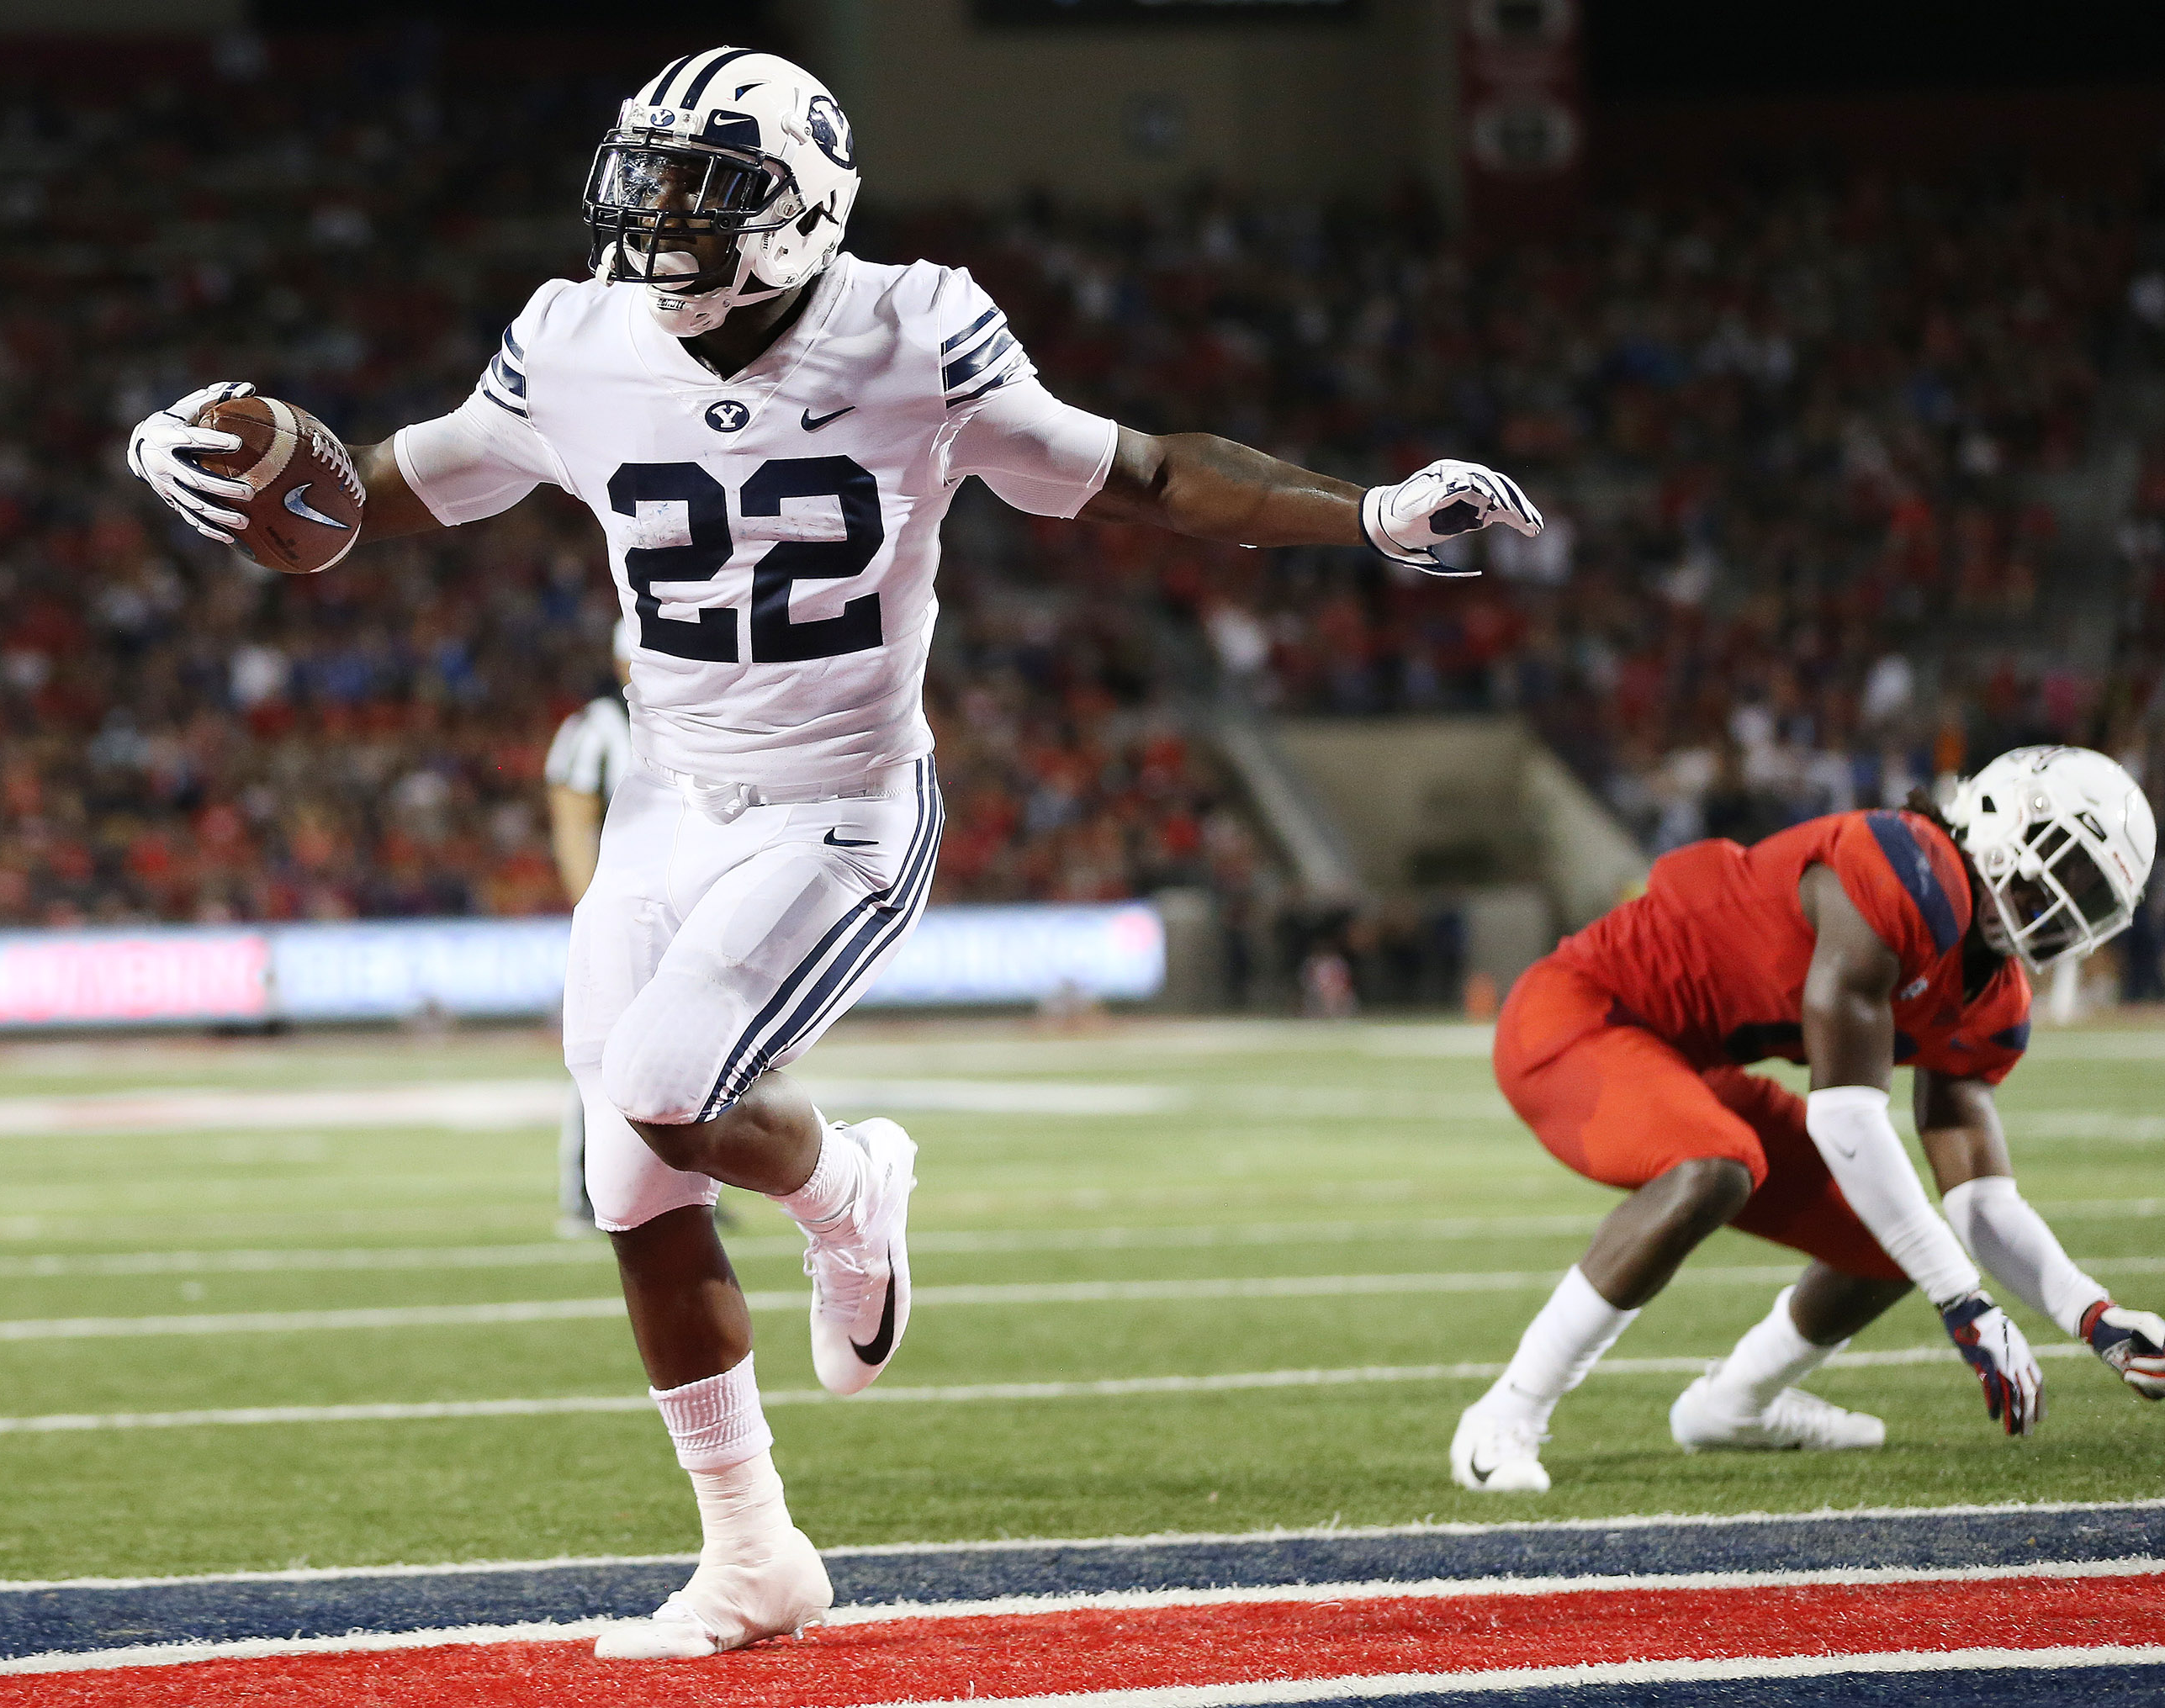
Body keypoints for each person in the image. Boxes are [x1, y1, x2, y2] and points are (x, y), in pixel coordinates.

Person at [128, 45, 1543, 1656]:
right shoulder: (574, 338)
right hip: (667, 801)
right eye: (646, 187)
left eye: (701, 196)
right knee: (624, 1169)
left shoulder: (913, 327)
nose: (657, 227)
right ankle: (755, 1558)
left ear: (802, 211)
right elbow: (388, 491)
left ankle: (852, 1185)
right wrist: (245, 480)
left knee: (666, 1088)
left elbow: (1144, 472)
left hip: (842, 807)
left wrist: (1365, 513)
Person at [1455, 745, 2165, 1494]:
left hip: (1688, 1060)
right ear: (2008, 813)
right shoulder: (1904, 867)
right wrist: (1965, 1301)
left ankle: (1735, 1405)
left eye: (2092, 892)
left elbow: (1983, 1200)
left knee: (1888, 1245)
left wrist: (2096, 1317)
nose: (2068, 897)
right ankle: (1505, 1416)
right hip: (1580, 1012)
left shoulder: (1995, 997)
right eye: (2070, 862)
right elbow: (1847, 1119)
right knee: (1715, 1169)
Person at [548, 621, 637, 1238]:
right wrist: (593, 907)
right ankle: (587, 1188)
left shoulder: (696, 725)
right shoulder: (598, 727)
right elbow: (572, 820)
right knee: (604, 1055)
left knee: (693, 1055)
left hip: (689, 908)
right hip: (624, 911)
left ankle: (692, 1188)